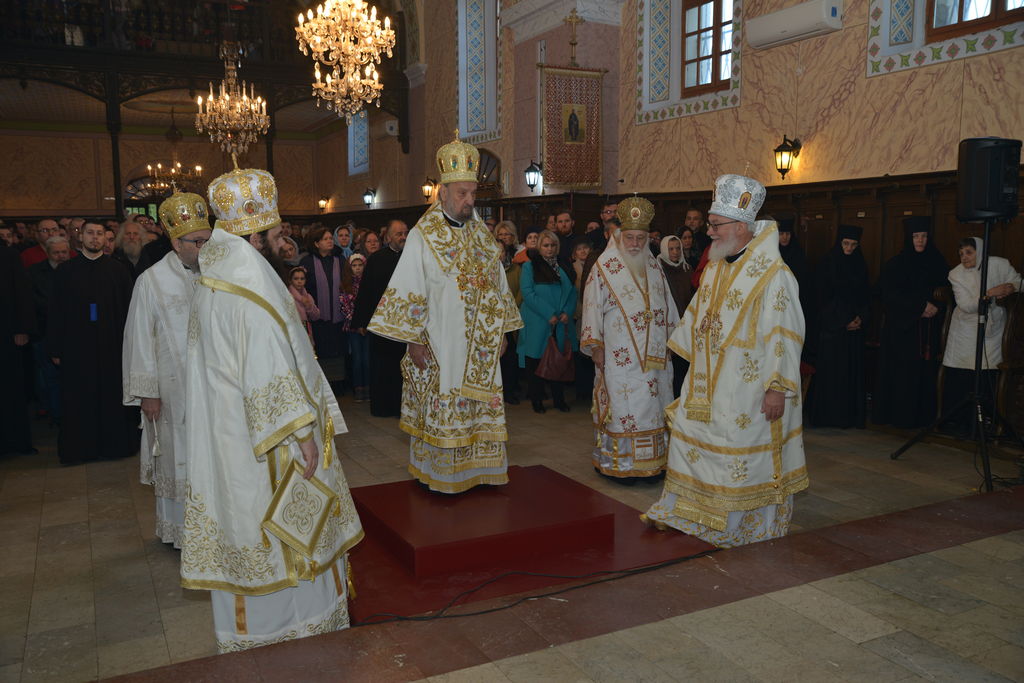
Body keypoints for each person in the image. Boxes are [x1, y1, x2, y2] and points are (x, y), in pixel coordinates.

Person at [184, 163, 363, 652]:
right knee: (284, 530)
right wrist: (303, 434)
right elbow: (267, 369)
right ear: (255, 235)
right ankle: (294, 629)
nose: (283, 240)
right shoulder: (249, 290)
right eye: (276, 233)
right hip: (265, 441)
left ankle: (253, 632)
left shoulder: (216, 276)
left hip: (229, 434)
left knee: (243, 517)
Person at [644, 174, 808, 547]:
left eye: (716, 225)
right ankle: (691, 511)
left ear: (740, 226)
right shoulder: (717, 265)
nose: (710, 232)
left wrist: (777, 387)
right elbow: (699, 315)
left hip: (749, 387)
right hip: (707, 379)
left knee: (737, 451)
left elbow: (785, 334)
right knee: (692, 437)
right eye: (711, 224)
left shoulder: (775, 276)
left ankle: (738, 523)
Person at [368, 132, 523, 493]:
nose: (469, 201)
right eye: (462, 193)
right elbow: (409, 287)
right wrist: (413, 339)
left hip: (480, 344)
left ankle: (481, 470)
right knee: (444, 402)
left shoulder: (482, 236)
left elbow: (498, 285)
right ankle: (443, 476)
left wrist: (503, 331)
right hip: (440, 341)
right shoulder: (424, 236)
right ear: (443, 193)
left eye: (473, 194)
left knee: (480, 407)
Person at [122, 191, 212, 548]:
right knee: (178, 457)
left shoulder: (216, 274)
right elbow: (139, 338)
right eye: (198, 242)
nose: (205, 248)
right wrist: (149, 393)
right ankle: (182, 533)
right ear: (176, 243)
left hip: (213, 388)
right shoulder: (151, 281)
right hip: (172, 393)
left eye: (208, 240)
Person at [581, 197, 678, 481]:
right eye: (630, 237)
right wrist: (595, 346)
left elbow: (668, 306)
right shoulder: (605, 266)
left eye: (641, 238)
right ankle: (621, 464)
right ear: (619, 236)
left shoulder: (654, 266)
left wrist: (673, 338)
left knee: (654, 406)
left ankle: (654, 462)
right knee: (624, 409)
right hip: (619, 354)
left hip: (655, 357)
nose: (635, 243)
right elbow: (591, 306)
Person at [47, 222, 135, 465]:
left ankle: (114, 446)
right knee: (79, 398)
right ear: (80, 237)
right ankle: (80, 449)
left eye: (99, 234)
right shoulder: (66, 271)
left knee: (111, 396)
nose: (95, 238)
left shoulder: (118, 270)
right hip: (76, 347)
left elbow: (130, 311)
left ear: (106, 239)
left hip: (111, 346)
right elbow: (55, 311)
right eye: (90, 233)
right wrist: (55, 347)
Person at [873, 216, 949, 429]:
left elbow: (946, 290)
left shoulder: (937, 261)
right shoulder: (896, 264)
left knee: (925, 374)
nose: (920, 240)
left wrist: (935, 306)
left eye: (924, 236)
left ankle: (923, 418)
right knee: (903, 375)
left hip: (928, 329)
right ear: (909, 238)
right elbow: (888, 294)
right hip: (902, 330)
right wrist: (920, 306)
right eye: (916, 236)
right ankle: (900, 418)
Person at [940, 237, 1022, 434]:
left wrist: (1011, 287)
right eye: (961, 254)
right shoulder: (955, 274)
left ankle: (987, 423)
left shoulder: (999, 264)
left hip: (994, 330)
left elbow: (1019, 282)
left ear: (981, 251)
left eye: (969, 252)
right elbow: (966, 305)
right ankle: (961, 423)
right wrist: (989, 294)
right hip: (965, 331)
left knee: (988, 373)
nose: (964, 257)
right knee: (964, 375)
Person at [809, 225, 870, 428]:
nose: (849, 248)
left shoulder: (859, 263)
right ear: (839, 242)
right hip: (833, 329)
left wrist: (860, 317)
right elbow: (822, 298)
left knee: (851, 374)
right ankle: (830, 417)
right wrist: (844, 321)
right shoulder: (827, 263)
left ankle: (849, 418)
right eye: (846, 243)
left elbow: (865, 295)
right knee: (833, 375)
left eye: (853, 244)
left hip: (854, 329)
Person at [352, 219, 408, 417]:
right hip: (381, 322)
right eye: (399, 234)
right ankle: (384, 407)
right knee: (383, 366)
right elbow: (366, 290)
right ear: (388, 237)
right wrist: (362, 320)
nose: (403, 237)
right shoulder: (377, 259)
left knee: (403, 366)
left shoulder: (412, 257)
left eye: (405, 233)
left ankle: (404, 407)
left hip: (406, 322)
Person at [518, 230, 578, 414]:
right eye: (546, 245)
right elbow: (528, 293)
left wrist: (567, 311)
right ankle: (536, 399)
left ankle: (559, 400)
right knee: (535, 361)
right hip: (537, 320)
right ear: (539, 247)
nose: (549, 249)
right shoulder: (529, 266)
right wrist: (548, 313)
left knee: (558, 360)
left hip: (560, 321)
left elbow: (572, 292)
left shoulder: (564, 265)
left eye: (553, 245)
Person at [28, 236, 71, 422]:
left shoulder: (75, 271)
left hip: (71, 334)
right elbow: (36, 303)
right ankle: (56, 415)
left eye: (64, 252)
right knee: (50, 378)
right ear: (47, 253)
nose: (61, 256)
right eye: (56, 253)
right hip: (44, 333)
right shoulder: (34, 273)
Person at [0, 240, 36, 456]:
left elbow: (21, 293)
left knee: (9, 390)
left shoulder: (8, 255)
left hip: (6, 335)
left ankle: (14, 443)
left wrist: (22, 329)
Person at [300, 227, 347, 367]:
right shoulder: (307, 262)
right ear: (316, 243)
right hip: (317, 318)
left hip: (339, 317)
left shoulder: (340, 259)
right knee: (321, 354)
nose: (329, 241)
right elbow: (302, 287)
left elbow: (347, 283)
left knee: (339, 354)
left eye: (331, 238)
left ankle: (340, 379)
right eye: (325, 239)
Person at [658, 234, 694, 399]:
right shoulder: (658, 270)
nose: (675, 252)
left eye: (678, 248)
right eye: (671, 249)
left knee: (684, 366)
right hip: (668, 325)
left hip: (686, 324)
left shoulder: (687, 269)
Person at [495, 221, 522, 405]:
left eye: (501, 251)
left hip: (509, 319)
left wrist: (512, 308)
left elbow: (519, 292)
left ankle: (510, 391)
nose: (498, 254)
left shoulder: (514, 269)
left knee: (510, 357)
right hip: (492, 320)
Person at [340, 253, 370, 402]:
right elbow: (345, 307)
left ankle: (368, 388)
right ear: (349, 267)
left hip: (368, 327)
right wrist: (357, 324)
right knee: (357, 358)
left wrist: (365, 323)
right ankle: (358, 389)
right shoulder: (346, 285)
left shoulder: (369, 283)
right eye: (354, 265)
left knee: (367, 358)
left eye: (360, 265)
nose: (357, 268)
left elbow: (371, 304)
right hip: (353, 328)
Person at [288, 265, 319, 345]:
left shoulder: (308, 297)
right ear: (290, 280)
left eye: (302, 279)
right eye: (296, 279)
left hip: (306, 331)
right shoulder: (288, 296)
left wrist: (309, 306)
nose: (299, 281)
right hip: (293, 331)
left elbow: (316, 317)